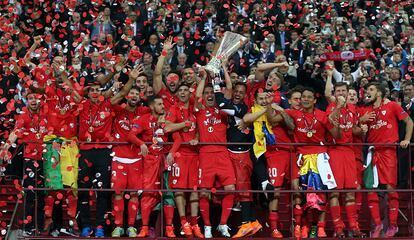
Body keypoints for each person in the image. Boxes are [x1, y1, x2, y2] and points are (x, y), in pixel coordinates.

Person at [77, 66, 138, 237]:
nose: (95, 92)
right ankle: (85, 225)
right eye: (92, 90)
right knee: (83, 189)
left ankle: (101, 226)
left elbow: (123, 93)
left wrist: (131, 79)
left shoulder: (108, 104)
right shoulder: (81, 105)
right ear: (88, 93)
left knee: (103, 191)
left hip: (104, 152)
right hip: (85, 151)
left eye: (98, 89)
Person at [284, 87, 342, 238]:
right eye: (303, 97)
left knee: (321, 195)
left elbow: (337, 135)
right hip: (301, 158)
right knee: (301, 195)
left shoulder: (322, 116)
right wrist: (273, 105)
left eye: (309, 97)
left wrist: (335, 120)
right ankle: (303, 226)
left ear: (314, 100)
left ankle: (319, 227)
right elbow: (274, 116)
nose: (306, 99)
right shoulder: (293, 113)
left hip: (320, 158)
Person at [215, 64, 262, 238]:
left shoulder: (242, 109)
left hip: (241, 154)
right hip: (232, 152)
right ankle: (253, 221)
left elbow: (220, 104)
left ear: (245, 96)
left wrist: (214, 84)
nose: (237, 94)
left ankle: (245, 223)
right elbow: (227, 90)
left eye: (241, 93)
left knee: (243, 189)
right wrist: (223, 70)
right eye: (236, 91)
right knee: (240, 187)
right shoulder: (234, 103)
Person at [360, 82, 413, 237]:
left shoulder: (392, 106)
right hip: (372, 152)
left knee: (390, 189)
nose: (367, 92)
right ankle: (377, 224)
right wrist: (361, 122)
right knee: (370, 188)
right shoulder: (366, 110)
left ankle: (394, 225)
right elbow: (362, 134)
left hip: (388, 152)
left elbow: (409, 121)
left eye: (371, 90)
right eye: (366, 89)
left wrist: (407, 139)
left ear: (379, 93)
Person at [243, 89, 295, 238]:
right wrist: (266, 108)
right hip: (263, 151)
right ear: (256, 101)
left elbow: (285, 124)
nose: (264, 101)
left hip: (278, 151)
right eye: (261, 99)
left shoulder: (277, 111)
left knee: (294, 189)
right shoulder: (254, 110)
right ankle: (271, 226)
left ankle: (296, 224)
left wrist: (279, 110)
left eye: (267, 98)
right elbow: (246, 119)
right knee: (272, 190)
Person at [128, 95, 181, 238]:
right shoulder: (143, 119)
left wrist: (171, 153)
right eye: (159, 104)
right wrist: (142, 144)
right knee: (147, 194)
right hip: (150, 162)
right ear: (152, 106)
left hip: (164, 161)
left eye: (163, 104)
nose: (163, 107)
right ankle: (145, 228)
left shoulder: (167, 121)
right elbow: (131, 135)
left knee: (168, 193)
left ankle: (169, 228)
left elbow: (178, 139)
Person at [195, 70, 236, 238]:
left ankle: (223, 224)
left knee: (230, 189)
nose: (209, 95)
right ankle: (207, 226)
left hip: (222, 153)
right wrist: (204, 78)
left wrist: (224, 68)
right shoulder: (199, 110)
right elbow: (196, 96)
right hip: (205, 154)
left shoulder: (223, 110)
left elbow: (229, 89)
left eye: (212, 92)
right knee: (204, 192)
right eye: (207, 93)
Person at [0, 92, 47, 236]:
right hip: (31, 160)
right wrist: (4, 149)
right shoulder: (24, 117)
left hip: (49, 160)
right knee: (30, 192)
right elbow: (15, 133)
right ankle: (29, 227)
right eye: (30, 98)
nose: (33, 100)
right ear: (26, 101)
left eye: (36, 98)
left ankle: (42, 225)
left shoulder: (46, 115)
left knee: (45, 193)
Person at [110, 67, 148, 238]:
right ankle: (118, 226)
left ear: (140, 97)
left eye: (136, 94)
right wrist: (131, 80)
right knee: (117, 194)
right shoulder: (118, 110)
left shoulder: (144, 112)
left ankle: (131, 226)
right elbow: (112, 101)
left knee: (134, 194)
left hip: (136, 159)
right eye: (130, 93)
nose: (133, 96)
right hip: (118, 157)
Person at [325, 82, 366, 237]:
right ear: (334, 93)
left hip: (349, 152)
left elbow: (353, 129)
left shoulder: (352, 110)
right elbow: (333, 128)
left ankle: (354, 228)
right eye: (338, 91)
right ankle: (338, 228)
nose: (341, 93)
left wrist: (361, 129)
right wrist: (338, 108)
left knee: (350, 192)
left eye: (344, 91)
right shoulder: (331, 107)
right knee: (335, 193)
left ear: (348, 93)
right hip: (334, 151)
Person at [164, 83, 204, 238]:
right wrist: (184, 124)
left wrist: (196, 138)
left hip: (195, 154)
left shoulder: (196, 109)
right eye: (180, 90)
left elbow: (201, 129)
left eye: (185, 90)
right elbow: (167, 127)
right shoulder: (174, 108)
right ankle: (183, 223)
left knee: (194, 190)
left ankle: (194, 223)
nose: (182, 92)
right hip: (180, 154)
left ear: (189, 93)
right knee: (179, 190)